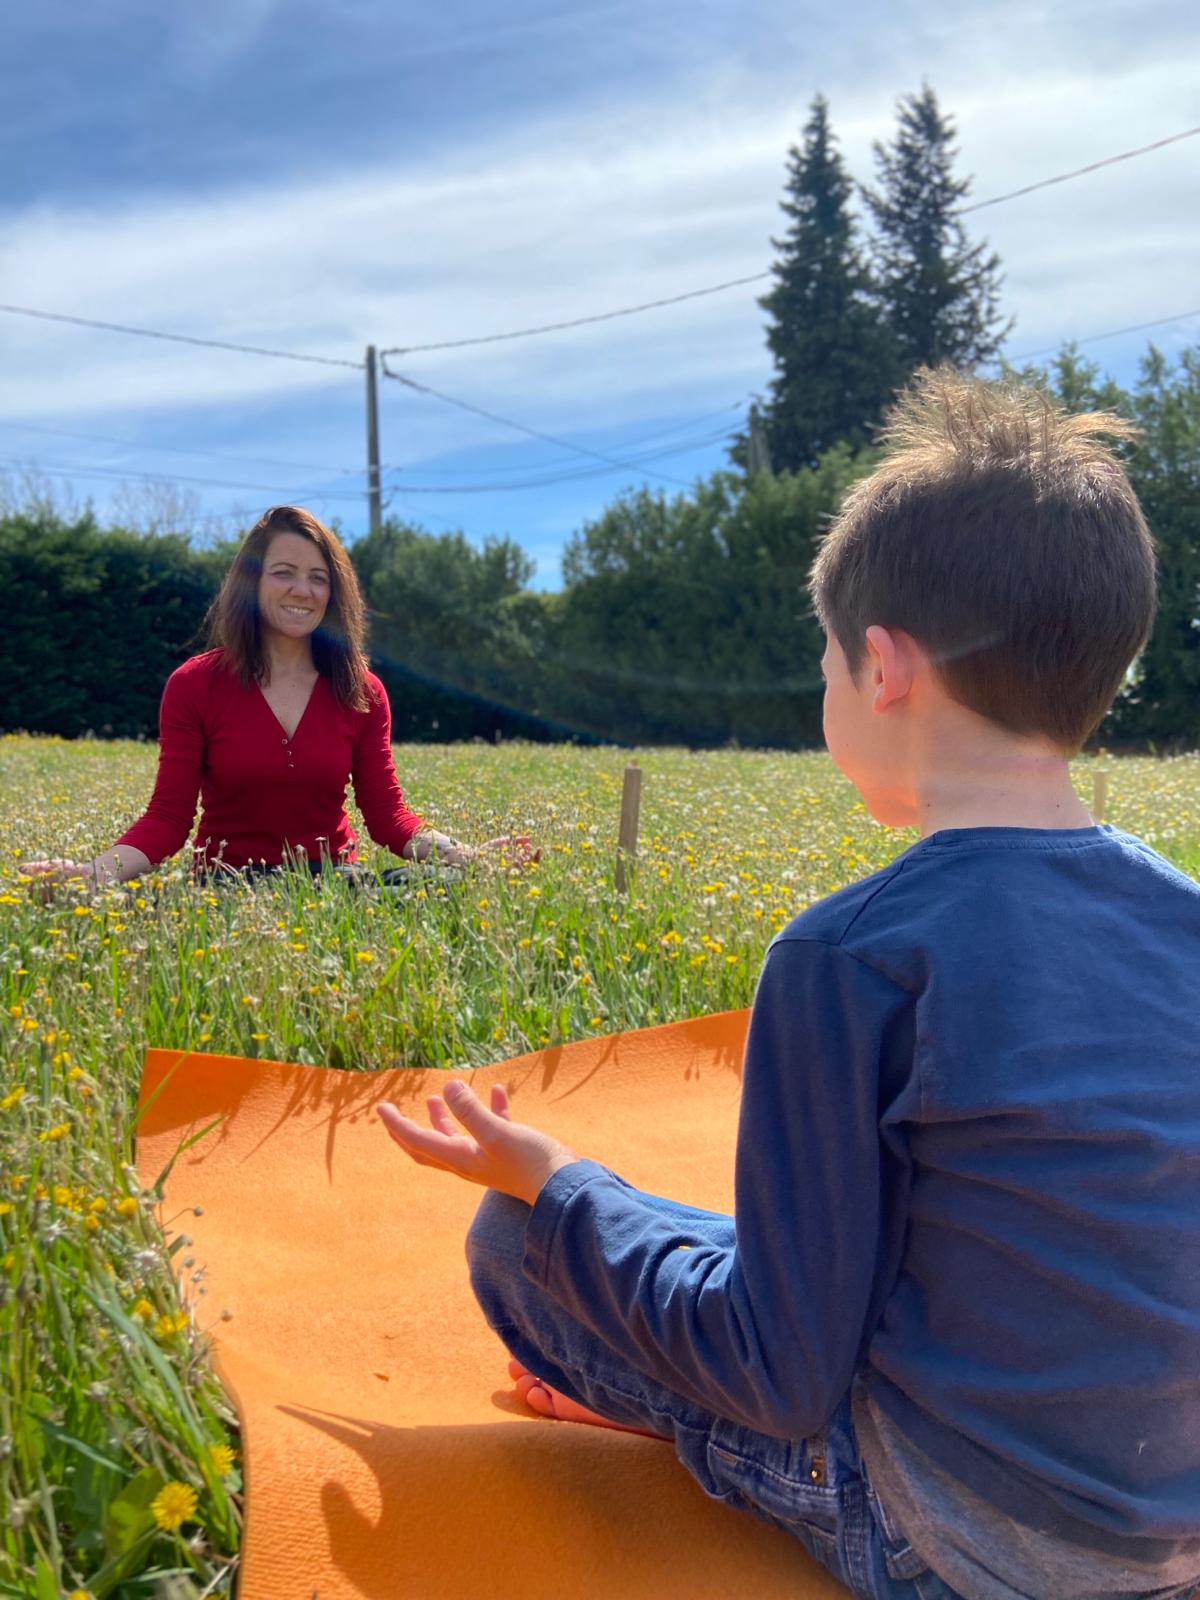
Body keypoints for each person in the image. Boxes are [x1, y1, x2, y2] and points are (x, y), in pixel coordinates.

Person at [377, 371, 1200, 1600]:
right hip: (1168, 1530)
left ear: (883, 666)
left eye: (823, 662)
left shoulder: (852, 954)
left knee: (518, 1243)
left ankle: (677, 1424)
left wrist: (556, 1186)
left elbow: (782, 1370)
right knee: (688, 1232)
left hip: (957, 1542)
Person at [21, 505, 532, 889]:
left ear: (334, 595)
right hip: (228, 886)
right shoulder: (194, 684)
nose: (302, 591)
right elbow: (168, 820)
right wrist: (92, 874)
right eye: (283, 573)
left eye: (318, 578)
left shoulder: (362, 691)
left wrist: (466, 856)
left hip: (336, 884)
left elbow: (388, 817)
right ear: (252, 582)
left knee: (445, 887)